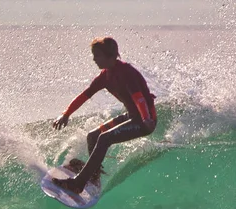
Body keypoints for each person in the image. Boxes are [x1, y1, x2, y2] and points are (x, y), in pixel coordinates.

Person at [52, 37, 157, 194]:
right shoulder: (105, 76)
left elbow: (139, 98)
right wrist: (66, 114)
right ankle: (93, 175)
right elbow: (84, 96)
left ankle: (78, 184)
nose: (94, 59)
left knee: (105, 138)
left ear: (110, 56)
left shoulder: (127, 73)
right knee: (92, 136)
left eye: (97, 55)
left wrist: (146, 119)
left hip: (144, 120)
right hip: (131, 116)